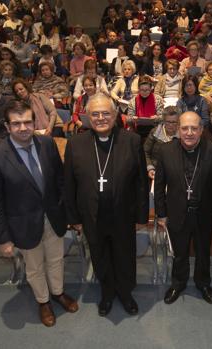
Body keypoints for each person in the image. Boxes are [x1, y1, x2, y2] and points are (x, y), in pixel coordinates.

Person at [0, 100, 78, 327]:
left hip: (53, 217)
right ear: (7, 127)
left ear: (34, 122)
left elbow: (60, 180)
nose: (23, 128)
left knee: (56, 259)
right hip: (22, 223)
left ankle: (58, 292)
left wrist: (66, 212)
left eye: (27, 122)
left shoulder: (47, 143)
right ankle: (43, 301)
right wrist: (3, 238)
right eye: (16, 124)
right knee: (35, 267)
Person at [64, 94, 149, 317]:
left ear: (115, 115)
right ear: (87, 117)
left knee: (124, 255)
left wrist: (141, 216)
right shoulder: (75, 144)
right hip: (92, 215)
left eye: (106, 113)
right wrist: (74, 219)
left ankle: (125, 292)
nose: (101, 118)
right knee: (100, 256)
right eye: (95, 114)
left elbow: (141, 181)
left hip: (123, 214)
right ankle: (107, 293)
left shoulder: (132, 141)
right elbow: (69, 184)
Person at [154, 111, 212, 305]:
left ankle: (203, 283)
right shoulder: (166, 150)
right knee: (180, 252)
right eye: (185, 128)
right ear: (178, 129)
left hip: (206, 212)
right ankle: (178, 283)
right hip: (176, 211)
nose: (189, 132)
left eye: (194, 128)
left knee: (203, 251)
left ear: (201, 130)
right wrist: (161, 213)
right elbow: (159, 185)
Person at [144, 106, 180, 179]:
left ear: (179, 122)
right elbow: (145, 151)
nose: (170, 125)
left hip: (177, 173)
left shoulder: (183, 135)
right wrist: (150, 168)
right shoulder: (155, 132)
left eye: (174, 122)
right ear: (163, 121)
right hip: (156, 170)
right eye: (168, 122)